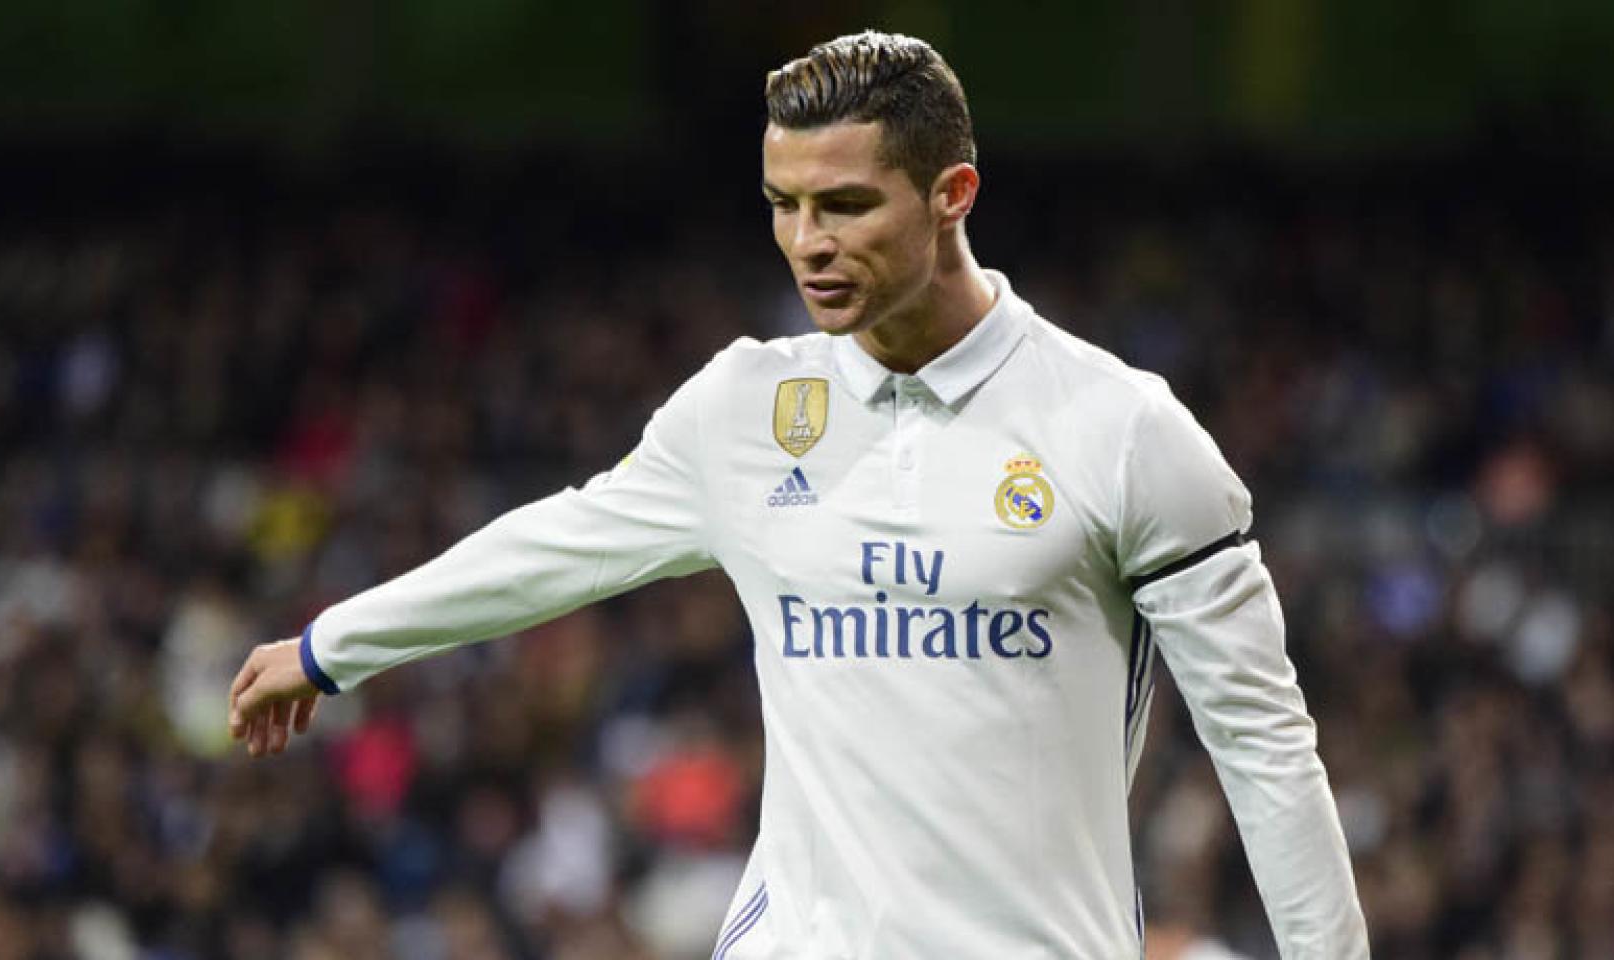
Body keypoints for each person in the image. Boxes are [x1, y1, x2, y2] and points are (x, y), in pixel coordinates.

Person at [229, 31, 1369, 958]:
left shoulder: (1120, 430)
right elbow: (556, 545)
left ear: (950, 194)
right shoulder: (742, 409)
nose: (806, 244)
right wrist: (334, 644)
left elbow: (1263, 743)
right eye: (783, 204)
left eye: (845, 205)